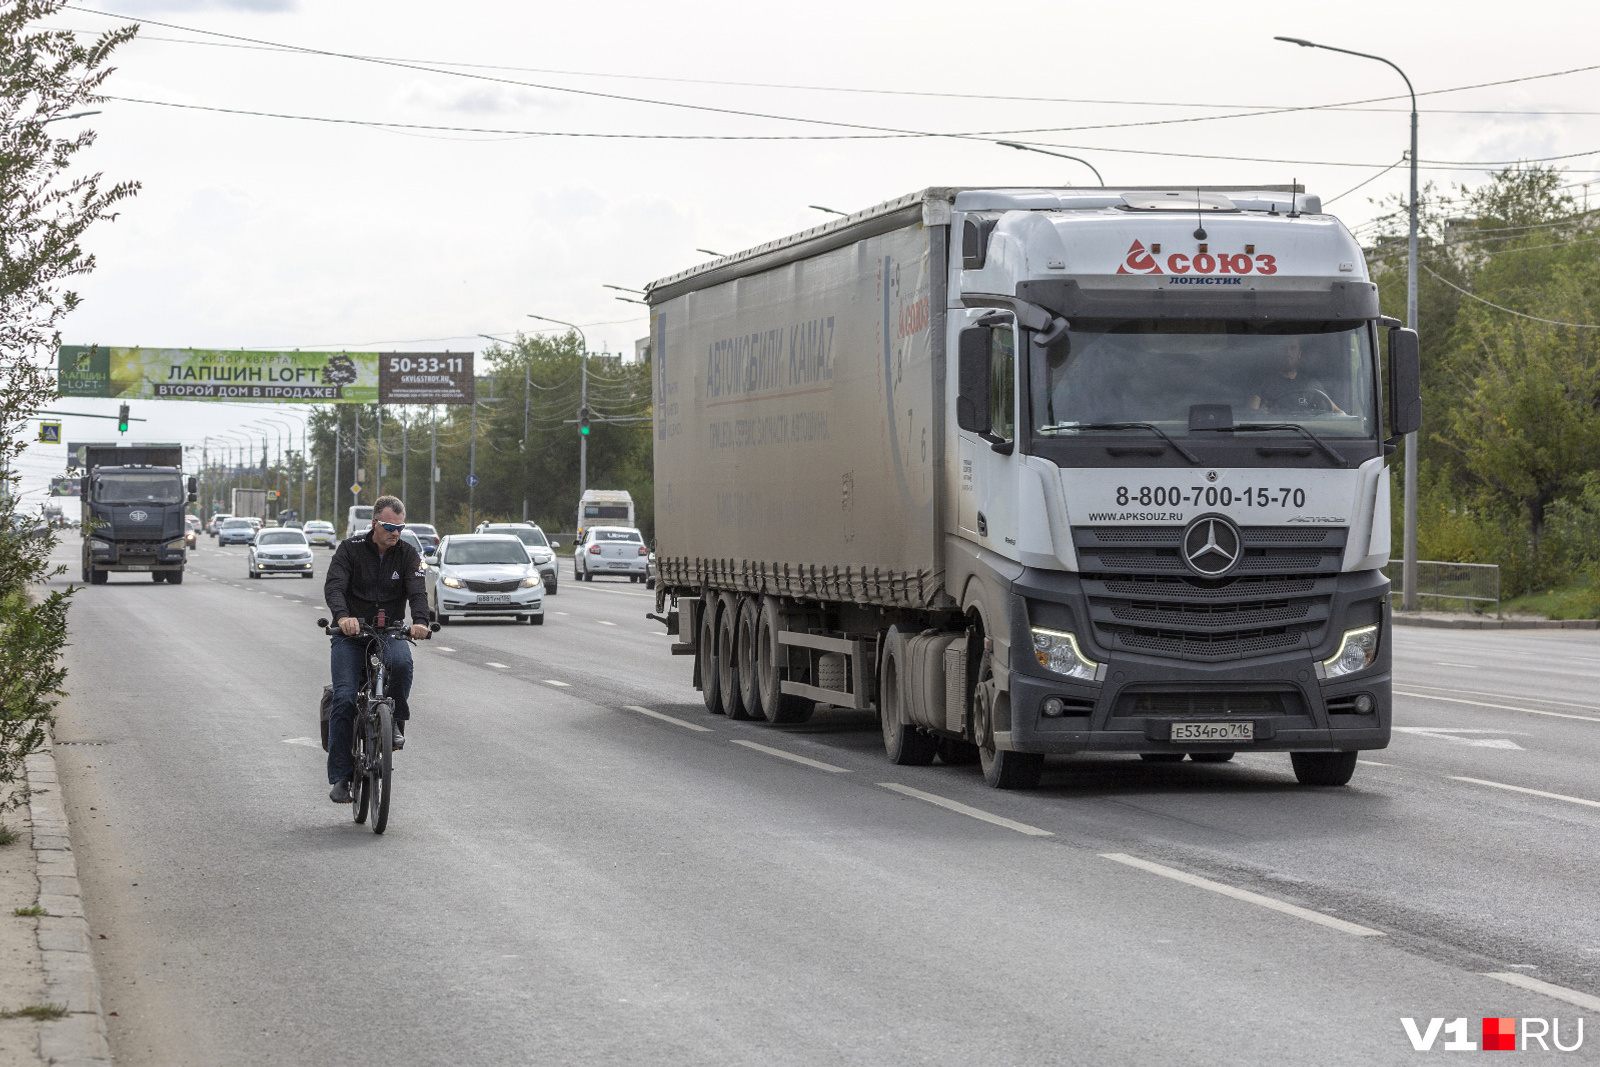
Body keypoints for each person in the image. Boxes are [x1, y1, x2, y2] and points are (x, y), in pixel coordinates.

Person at [322, 494, 430, 804]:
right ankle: (341, 778)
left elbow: (418, 591)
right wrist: (343, 617)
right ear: (374, 523)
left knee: (402, 663)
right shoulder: (349, 550)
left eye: (400, 528)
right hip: (351, 634)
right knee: (344, 698)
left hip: (390, 632)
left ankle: (393, 722)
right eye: (389, 527)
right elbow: (334, 586)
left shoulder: (408, 555)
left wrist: (420, 621)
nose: (395, 533)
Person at [1247, 335, 1345, 415]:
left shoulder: (1311, 385)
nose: (1288, 352)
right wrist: (1261, 414)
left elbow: (1336, 412)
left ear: (1299, 353)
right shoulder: (1264, 383)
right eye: (1284, 348)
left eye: (1292, 348)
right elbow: (1251, 414)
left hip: (1306, 432)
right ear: (1277, 352)